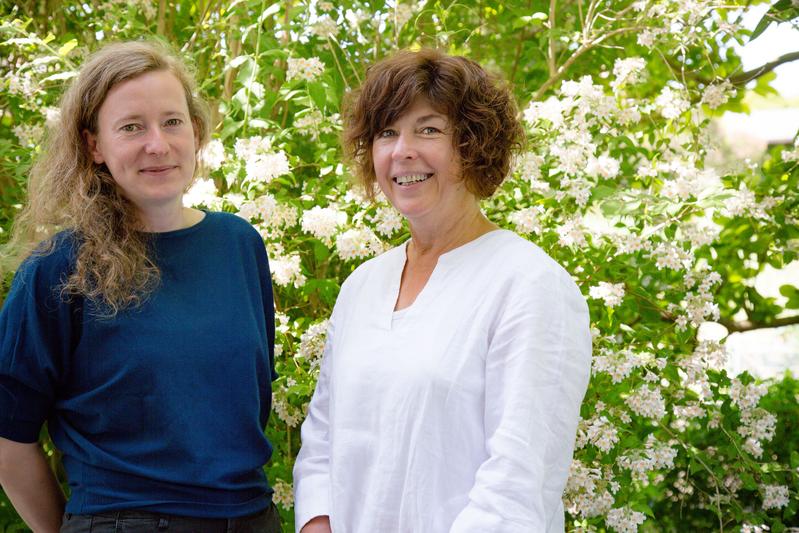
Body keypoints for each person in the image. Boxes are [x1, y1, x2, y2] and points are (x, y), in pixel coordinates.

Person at [293, 49, 592, 532]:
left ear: (474, 144)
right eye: (387, 133)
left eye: (428, 129)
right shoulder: (363, 286)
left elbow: (516, 484)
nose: (401, 150)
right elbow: (323, 442)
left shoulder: (530, 285)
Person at [0, 41, 281, 532]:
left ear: (195, 131)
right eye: (131, 127)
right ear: (94, 146)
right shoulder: (59, 268)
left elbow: (246, 405)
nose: (158, 144)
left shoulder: (239, 245)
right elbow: (6, 436)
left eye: (172, 122)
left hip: (253, 518)